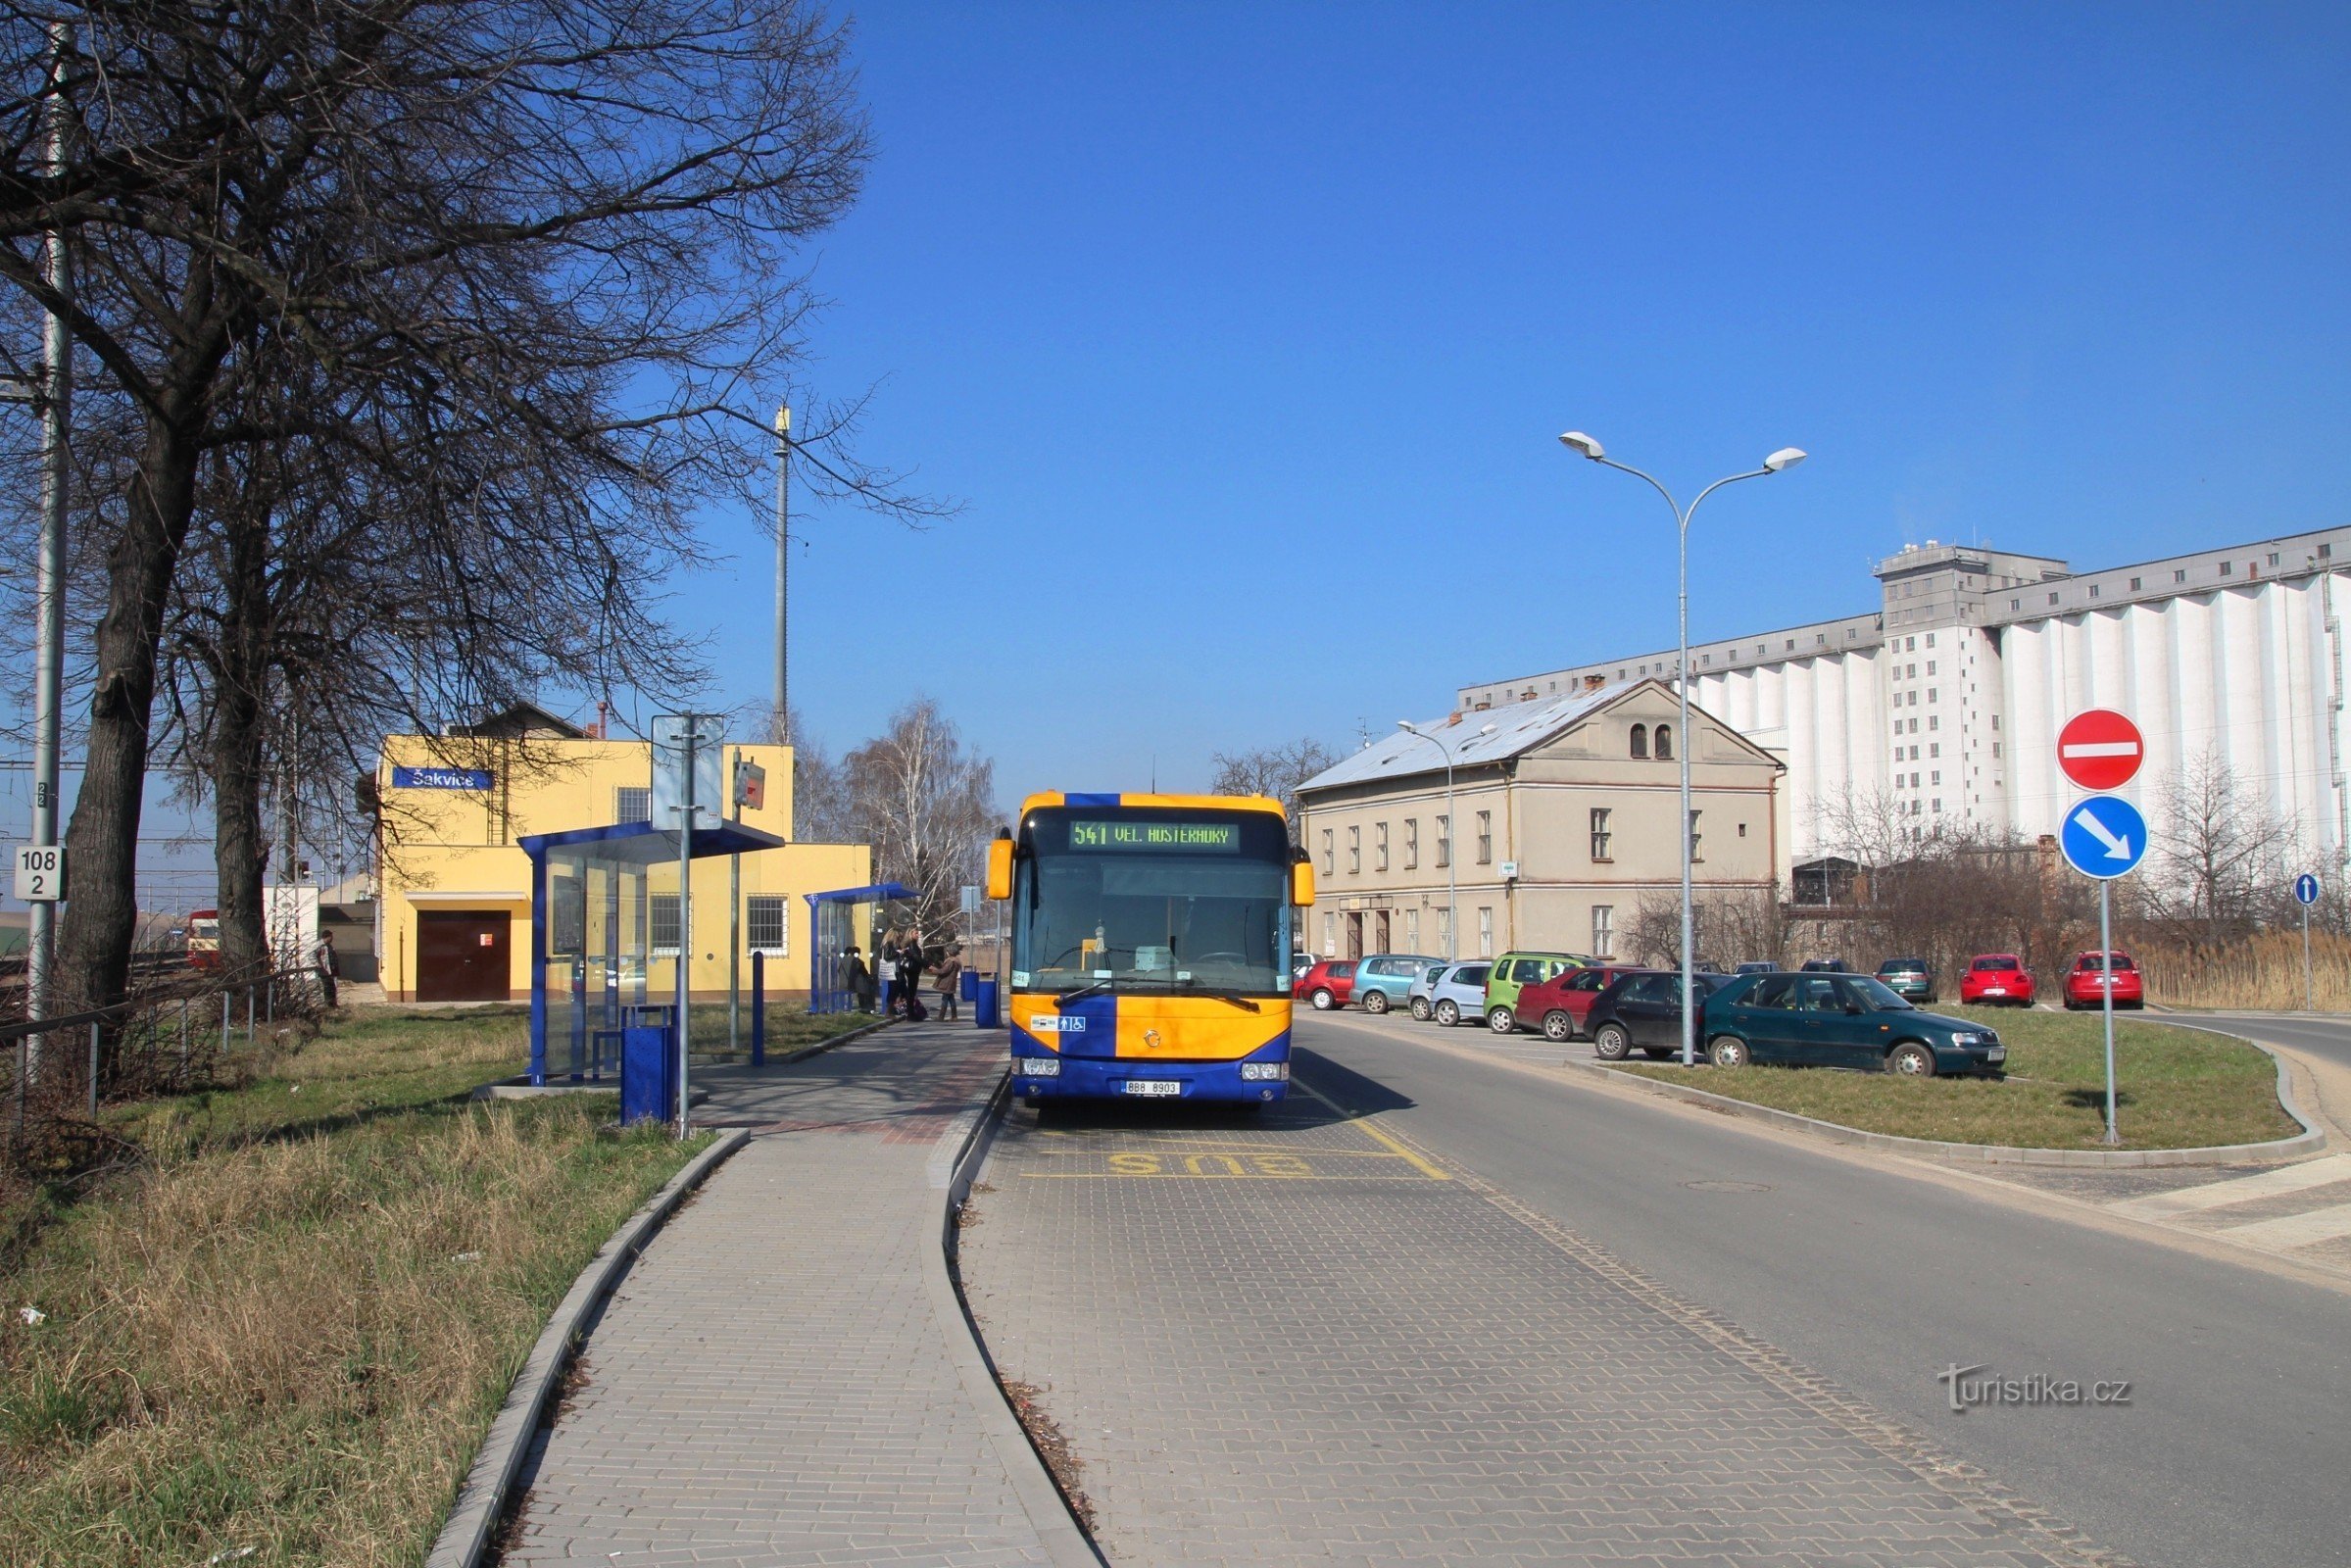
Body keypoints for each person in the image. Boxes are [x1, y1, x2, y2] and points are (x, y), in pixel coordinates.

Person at [935, 946, 962, 1022]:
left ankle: (941, 1017)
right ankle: (954, 1016)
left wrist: (934, 970)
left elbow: (943, 971)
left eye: (947, 951)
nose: (946, 953)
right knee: (951, 999)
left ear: (949, 952)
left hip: (947, 982)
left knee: (945, 999)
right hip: (952, 982)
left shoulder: (950, 961)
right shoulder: (956, 961)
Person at [845, 946, 874, 1012]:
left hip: (850, 981)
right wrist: (869, 977)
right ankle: (863, 1007)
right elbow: (864, 972)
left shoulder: (848, 961)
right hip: (859, 981)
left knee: (856, 994)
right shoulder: (859, 962)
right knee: (861, 994)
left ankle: (854, 1007)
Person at [876, 943, 900, 1016]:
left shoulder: (892, 946)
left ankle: (890, 1010)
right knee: (891, 991)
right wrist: (897, 953)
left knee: (894, 991)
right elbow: (887, 957)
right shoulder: (888, 945)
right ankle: (888, 1011)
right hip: (889, 971)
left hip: (893, 971)